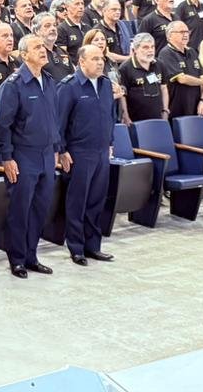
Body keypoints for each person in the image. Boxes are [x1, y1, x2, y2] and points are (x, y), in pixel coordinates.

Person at [0, 34, 61, 279]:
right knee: (20, 210)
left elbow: (54, 119)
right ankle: (17, 259)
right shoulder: (13, 85)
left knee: (40, 209)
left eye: (43, 46)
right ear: (24, 55)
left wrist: (56, 148)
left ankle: (32, 256)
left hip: (46, 154)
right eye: (37, 47)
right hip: (23, 155)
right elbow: (2, 126)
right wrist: (7, 158)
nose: (43, 50)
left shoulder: (49, 81)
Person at [56, 44, 118, 267]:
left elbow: (111, 115)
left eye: (101, 58)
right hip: (79, 152)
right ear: (81, 62)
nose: (100, 63)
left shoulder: (106, 84)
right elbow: (59, 122)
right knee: (77, 202)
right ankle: (76, 248)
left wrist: (110, 142)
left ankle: (93, 246)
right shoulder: (69, 87)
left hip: (101, 151)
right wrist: (62, 151)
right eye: (94, 59)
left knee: (96, 200)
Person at [158, 21, 203, 119]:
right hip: (177, 108)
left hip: (196, 106)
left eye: (187, 32)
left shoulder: (192, 51)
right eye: (181, 32)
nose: (186, 34)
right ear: (170, 35)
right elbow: (182, 79)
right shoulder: (166, 53)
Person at [118, 33, 169, 124]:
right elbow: (122, 95)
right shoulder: (125, 68)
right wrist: (125, 116)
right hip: (136, 120)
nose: (150, 50)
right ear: (135, 50)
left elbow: (164, 88)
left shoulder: (159, 64)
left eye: (152, 47)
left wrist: (165, 110)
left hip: (158, 118)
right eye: (145, 47)